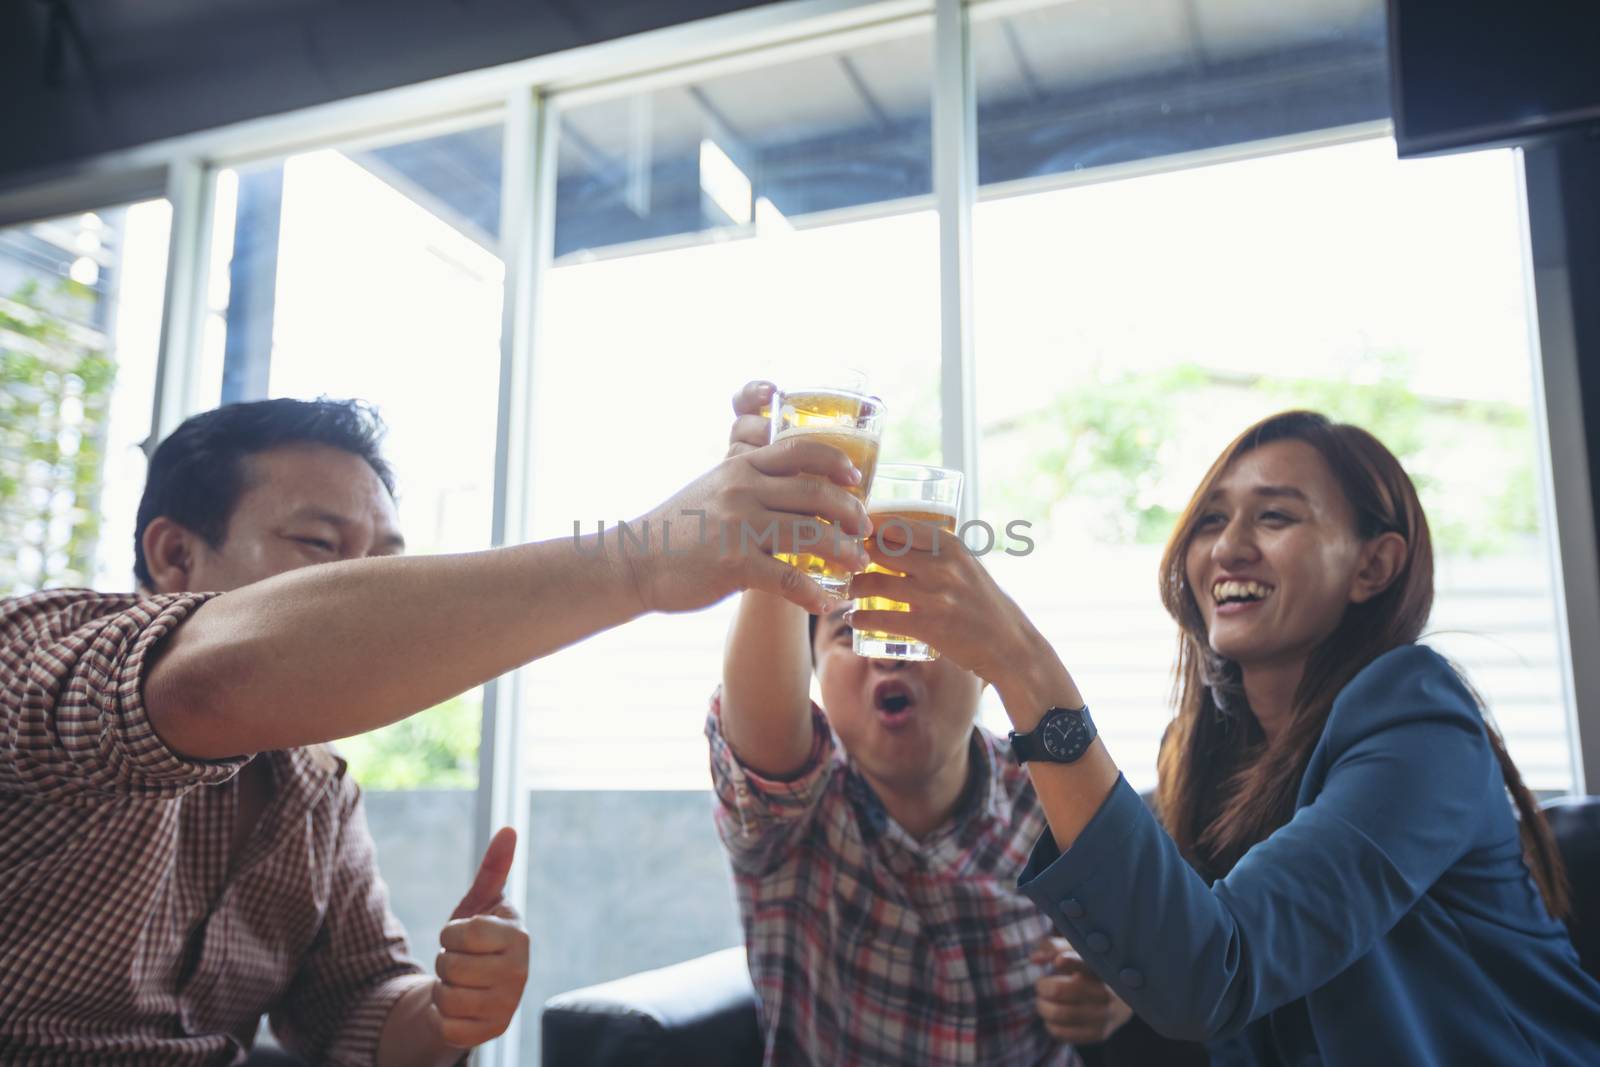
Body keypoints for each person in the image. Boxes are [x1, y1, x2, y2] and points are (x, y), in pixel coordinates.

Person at [0, 396, 870, 1066]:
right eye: (318, 543)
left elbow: (357, 1006)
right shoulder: (39, 655)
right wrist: (640, 559)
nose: (369, 587)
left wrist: (449, 1004)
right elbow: (212, 682)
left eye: (384, 560)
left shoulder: (312, 787)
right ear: (174, 555)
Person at [845, 409, 1600, 1066]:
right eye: (1211, 518)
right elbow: (1186, 947)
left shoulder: (1420, 721)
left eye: (1275, 516)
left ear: (1374, 565)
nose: (1228, 546)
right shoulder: (1208, 750)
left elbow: (1215, 971)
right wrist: (1119, 988)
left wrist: (1023, 664)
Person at [708, 381, 1132, 1067]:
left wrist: (1119, 995)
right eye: (851, 630)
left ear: (978, 658)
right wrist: (777, 541)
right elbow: (759, 741)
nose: (883, 652)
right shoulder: (801, 818)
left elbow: (1162, 932)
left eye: (913, 624)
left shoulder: (1051, 794)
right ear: (811, 673)